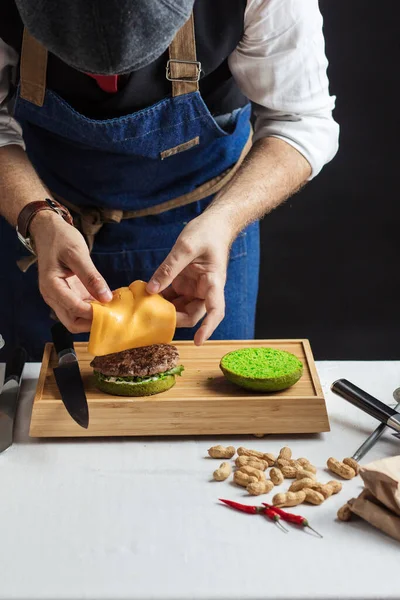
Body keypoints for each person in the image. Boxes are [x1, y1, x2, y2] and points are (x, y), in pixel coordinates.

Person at [0, 0, 339, 361]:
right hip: (43, 226)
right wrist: (37, 217)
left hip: (206, 230)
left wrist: (224, 221)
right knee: (33, 409)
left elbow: (300, 120)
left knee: (210, 408)